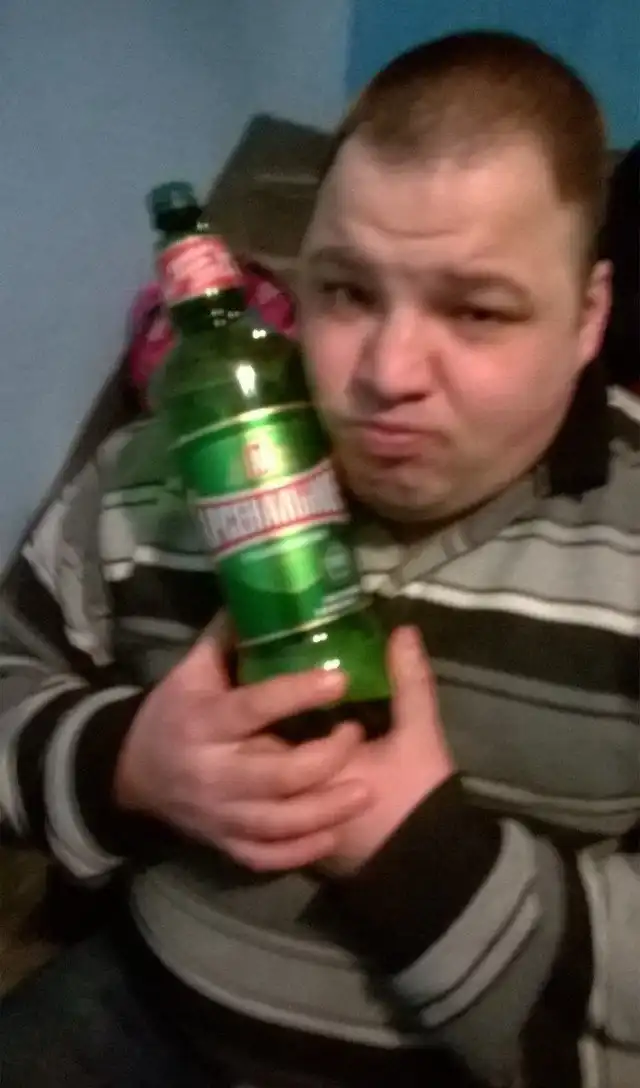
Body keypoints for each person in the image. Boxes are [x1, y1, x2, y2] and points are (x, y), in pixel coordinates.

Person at [0, 30, 638, 1088]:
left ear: (587, 316)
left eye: (476, 309)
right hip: (141, 1011)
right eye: (346, 292)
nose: (386, 372)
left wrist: (427, 863)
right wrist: (128, 762)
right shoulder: (155, 474)